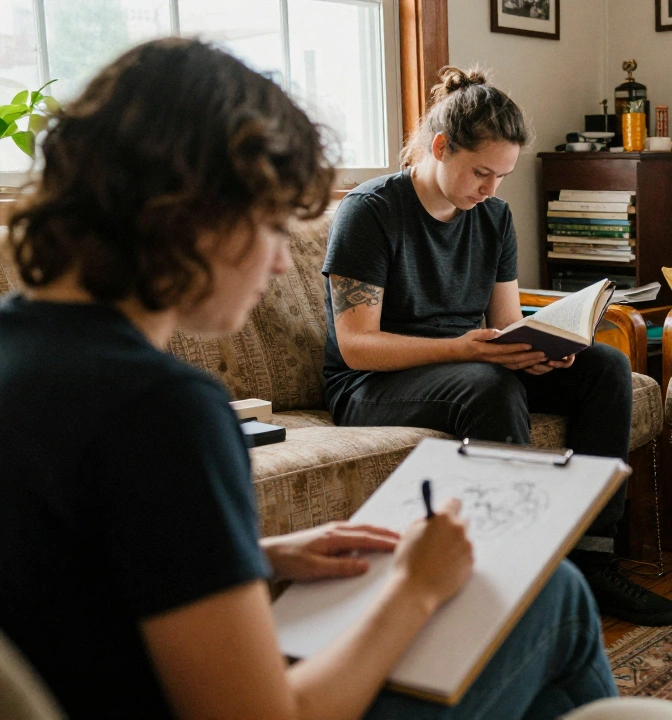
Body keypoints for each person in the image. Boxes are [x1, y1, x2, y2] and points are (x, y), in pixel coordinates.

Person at [0, 38, 617, 720]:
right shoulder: (163, 413)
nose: (274, 266)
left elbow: (68, 582)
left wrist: (259, 556)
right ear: (188, 212)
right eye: (271, 223)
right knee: (553, 596)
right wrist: (412, 587)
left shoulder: (19, 348)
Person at [320, 65, 672, 627]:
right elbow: (357, 347)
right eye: (481, 173)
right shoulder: (370, 212)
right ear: (439, 147)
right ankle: (513, 571)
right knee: (488, 385)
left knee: (605, 367)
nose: (490, 190)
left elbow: (507, 322)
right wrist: (469, 350)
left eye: (502, 176)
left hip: (471, 360)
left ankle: (591, 562)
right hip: (373, 383)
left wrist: (545, 346)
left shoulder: (493, 215)